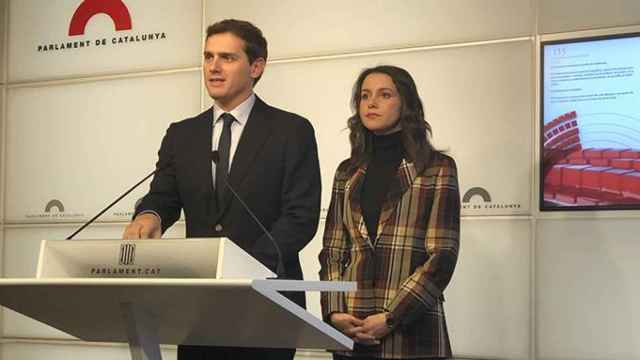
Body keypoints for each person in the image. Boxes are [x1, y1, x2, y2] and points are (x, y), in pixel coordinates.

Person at [123, 19, 321, 360]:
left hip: (266, 305)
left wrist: (243, 270)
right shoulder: (181, 135)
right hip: (200, 309)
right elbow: (164, 194)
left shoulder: (292, 131)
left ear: (256, 67)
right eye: (208, 56)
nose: (213, 67)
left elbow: (300, 217)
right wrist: (150, 213)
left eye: (227, 58)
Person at [319, 65, 460, 359]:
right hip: (351, 330)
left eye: (384, 95)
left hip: (411, 330)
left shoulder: (437, 168)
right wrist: (334, 311)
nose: (371, 103)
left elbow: (442, 256)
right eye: (365, 96)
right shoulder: (347, 172)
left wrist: (392, 317)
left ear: (406, 103)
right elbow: (333, 250)